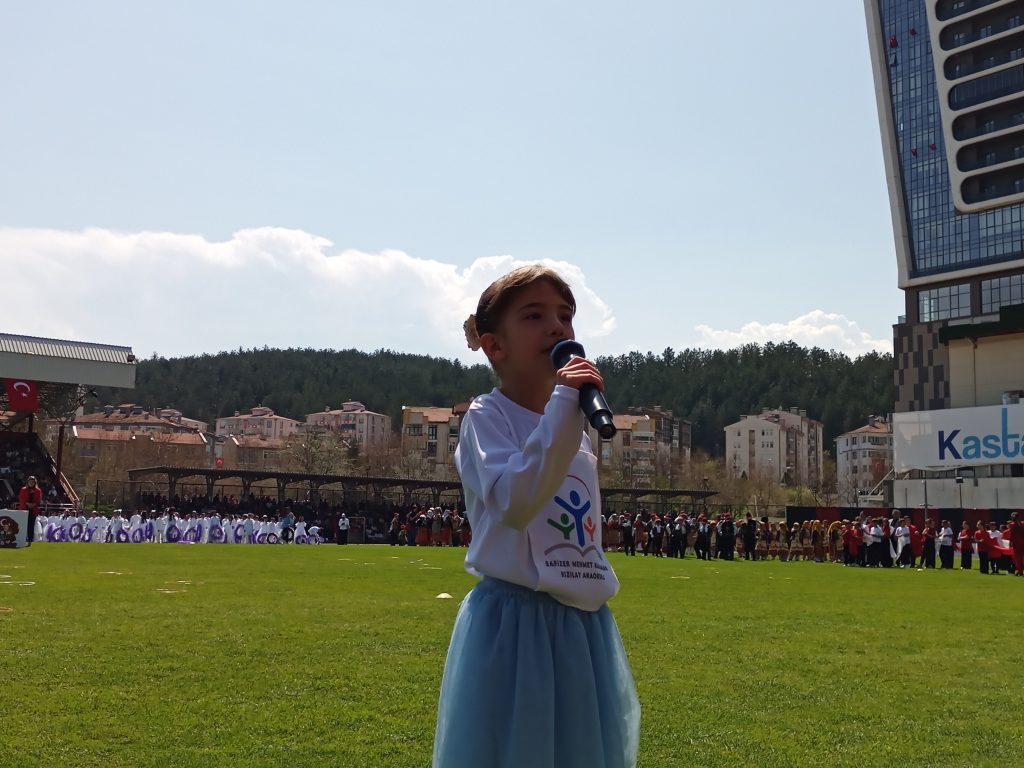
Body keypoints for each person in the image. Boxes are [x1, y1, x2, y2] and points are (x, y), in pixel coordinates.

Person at [433, 265, 639, 768]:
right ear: (494, 345)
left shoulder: (575, 424)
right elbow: (516, 500)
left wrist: (567, 408)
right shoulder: (487, 417)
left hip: (581, 625)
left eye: (566, 316)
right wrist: (566, 401)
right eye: (534, 316)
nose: (557, 328)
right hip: (516, 622)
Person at [17, 476, 43, 544]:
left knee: (31, 526)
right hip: (24, 510)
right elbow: (21, 498)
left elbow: (39, 500)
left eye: (33, 482)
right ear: (27, 482)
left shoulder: (38, 490)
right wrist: (27, 503)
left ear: (35, 482)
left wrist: (34, 504)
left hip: (33, 510)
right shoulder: (23, 489)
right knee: (23, 525)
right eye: (30, 482)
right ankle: (21, 540)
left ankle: (30, 541)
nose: (31, 483)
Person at [1008, 512, 1024, 577]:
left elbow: (1011, 535)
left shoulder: (1011, 525)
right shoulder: (1023, 523)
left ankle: (1020, 572)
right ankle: (1019, 571)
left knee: (1018, 559)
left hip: (1017, 544)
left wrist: (1010, 543)